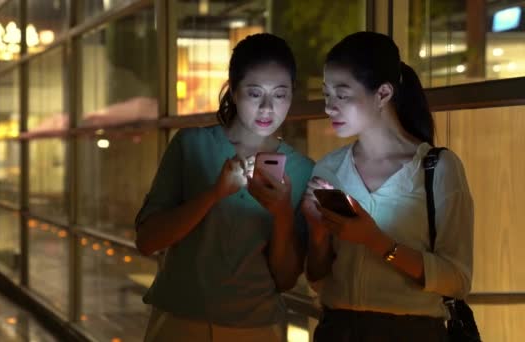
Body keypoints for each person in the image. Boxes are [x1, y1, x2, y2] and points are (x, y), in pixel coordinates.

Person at [135, 33, 313, 341]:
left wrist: (282, 214)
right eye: (255, 93)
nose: (268, 108)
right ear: (232, 90)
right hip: (179, 320)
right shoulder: (192, 146)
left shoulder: (300, 169)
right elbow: (148, 240)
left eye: (280, 95)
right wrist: (214, 194)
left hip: (258, 327)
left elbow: (285, 279)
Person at [302, 31, 474, 341]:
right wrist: (316, 233)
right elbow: (318, 280)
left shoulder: (436, 169)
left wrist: (376, 241)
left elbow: (457, 280)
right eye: (326, 94)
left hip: (412, 333)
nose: (329, 107)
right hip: (338, 330)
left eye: (342, 95)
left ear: (382, 94)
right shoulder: (329, 168)